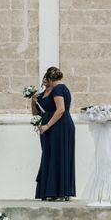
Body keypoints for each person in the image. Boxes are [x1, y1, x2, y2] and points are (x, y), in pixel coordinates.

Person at [33, 66, 76, 201]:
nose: (45, 81)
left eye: (47, 79)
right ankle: (50, 191)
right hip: (50, 127)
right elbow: (36, 114)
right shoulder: (47, 92)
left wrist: (47, 125)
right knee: (49, 156)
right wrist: (32, 102)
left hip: (60, 126)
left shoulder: (58, 88)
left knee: (59, 156)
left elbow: (61, 109)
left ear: (51, 78)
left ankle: (60, 192)